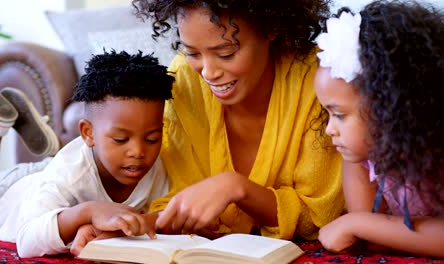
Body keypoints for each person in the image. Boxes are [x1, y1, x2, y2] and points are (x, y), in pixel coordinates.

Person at [132, 0, 344, 240]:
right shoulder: (185, 79)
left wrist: (237, 188)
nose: (208, 72)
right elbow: (180, 198)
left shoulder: (318, 80)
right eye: (192, 53)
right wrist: (134, 226)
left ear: (271, 28)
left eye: (226, 53)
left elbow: (320, 218)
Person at [0, 50, 174, 258]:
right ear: (88, 133)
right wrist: (89, 211)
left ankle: (49, 144)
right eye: (121, 140)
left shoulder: (156, 166)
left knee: (61, 172)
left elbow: (160, 215)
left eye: (152, 139)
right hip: (7, 196)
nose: (138, 152)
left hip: (52, 174)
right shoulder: (69, 173)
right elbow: (26, 242)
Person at [314, 0, 444, 257]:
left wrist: (358, 224)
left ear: (392, 106)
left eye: (339, 115)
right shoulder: (361, 156)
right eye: (326, 114)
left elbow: (366, 227)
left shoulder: (436, 152)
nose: (330, 129)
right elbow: (372, 240)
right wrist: (366, 226)